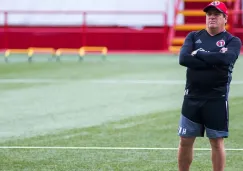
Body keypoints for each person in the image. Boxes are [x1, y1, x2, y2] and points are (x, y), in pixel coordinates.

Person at [177, 1, 242, 171]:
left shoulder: (232, 41)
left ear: (225, 18)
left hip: (216, 99)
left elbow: (226, 60)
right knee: (185, 140)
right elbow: (183, 59)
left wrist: (198, 54)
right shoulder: (193, 36)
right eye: (209, 14)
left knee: (216, 142)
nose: (212, 17)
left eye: (216, 14)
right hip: (191, 97)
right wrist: (213, 59)